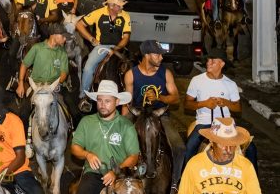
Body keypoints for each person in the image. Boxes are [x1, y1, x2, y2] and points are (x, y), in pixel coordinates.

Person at [123, 40, 184, 192]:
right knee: (116, 141)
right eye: (157, 54)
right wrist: (122, 123)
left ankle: (175, 182)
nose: (161, 58)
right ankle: (120, 176)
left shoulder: (165, 73)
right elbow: (127, 102)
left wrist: (160, 98)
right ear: (146, 55)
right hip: (137, 114)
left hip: (160, 115)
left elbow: (175, 97)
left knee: (178, 147)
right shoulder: (131, 75)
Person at [183, 48, 257, 172]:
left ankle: (254, 181)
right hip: (204, 123)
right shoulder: (197, 80)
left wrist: (226, 103)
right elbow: (187, 104)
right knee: (190, 146)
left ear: (222, 64)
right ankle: (183, 179)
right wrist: (204, 103)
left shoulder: (230, 84)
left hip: (226, 123)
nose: (208, 63)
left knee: (251, 148)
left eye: (213, 60)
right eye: (208, 60)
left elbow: (238, 108)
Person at [72, 80, 139, 194]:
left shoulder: (126, 126)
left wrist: (116, 171)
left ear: (117, 102)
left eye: (107, 101)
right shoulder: (87, 122)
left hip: (120, 175)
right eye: (100, 100)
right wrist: (87, 154)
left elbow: (133, 157)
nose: (102, 105)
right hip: (93, 173)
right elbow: (74, 147)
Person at [76, 0, 131, 111]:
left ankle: (131, 98)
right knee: (88, 67)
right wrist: (91, 38)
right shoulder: (98, 13)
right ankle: (84, 96)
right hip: (102, 47)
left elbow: (126, 37)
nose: (121, 7)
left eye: (121, 5)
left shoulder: (125, 16)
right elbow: (79, 24)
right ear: (111, 6)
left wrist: (116, 48)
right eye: (118, 5)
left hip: (119, 47)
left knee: (131, 68)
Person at [178, 117, 260, 194]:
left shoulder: (246, 166)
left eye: (232, 145)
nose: (228, 150)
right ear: (211, 141)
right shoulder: (194, 165)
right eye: (223, 144)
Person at [16, 22, 69, 98]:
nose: (65, 39)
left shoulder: (63, 53)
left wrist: (54, 85)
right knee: (26, 108)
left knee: (66, 105)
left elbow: (64, 73)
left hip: (53, 87)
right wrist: (21, 83)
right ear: (54, 35)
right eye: (63, 36)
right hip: (36, 86)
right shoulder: (37, 48)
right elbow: (24, 64)